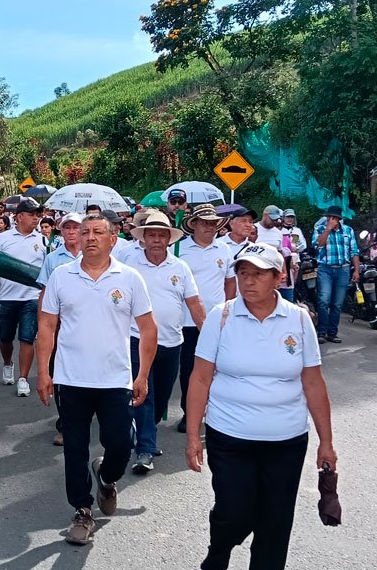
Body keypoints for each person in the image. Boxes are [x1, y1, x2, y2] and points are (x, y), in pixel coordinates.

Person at [184, 243, 336, 570]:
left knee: (275, 520)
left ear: (278, 278)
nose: (248, 281)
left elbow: (313, 382)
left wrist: (326, 442)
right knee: (233, 511)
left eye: (258, 274)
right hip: (229, 435)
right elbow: (200, 379)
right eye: (243, 273)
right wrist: (193, 436)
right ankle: (216, 558)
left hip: (285, 439)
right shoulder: (221, 318)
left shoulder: (299, 321)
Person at [37, 214, 155, 546]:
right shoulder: (62, 276)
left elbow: (148, 329)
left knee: (121, 443)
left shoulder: (130, 278)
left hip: (115, 379)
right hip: (71, 379)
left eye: (98, 232)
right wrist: (44, 372)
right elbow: (46, 325)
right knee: (74, 447)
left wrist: (142, 374)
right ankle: (82, 510)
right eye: (85, 232)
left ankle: (106, 476)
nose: (90, 237)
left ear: (113, 239)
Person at [122, 210, 201, 473]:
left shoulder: (180, 267)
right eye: (151, 235)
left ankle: (146, 433)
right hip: (137, 339)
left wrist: (212, 336)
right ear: (143, 238)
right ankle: (145, 449)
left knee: (162, 396)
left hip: (171, 342)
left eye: (161, 235)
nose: (156, 240)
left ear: (169, 239)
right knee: (143, 392)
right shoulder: (128, 263)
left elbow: (194, 304)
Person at [174, 204, 232, 433]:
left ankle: (216, 412)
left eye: (213, 223)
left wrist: (228, 307)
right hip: (187, 321)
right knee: (190, 369)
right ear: (194, 225)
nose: (210, 227)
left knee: (219, 368)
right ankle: (190, 414)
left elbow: (230, 280)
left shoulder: (224, 249)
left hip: (217, 321)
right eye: (205, 223)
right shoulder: (179, 249)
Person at [0, 199, 46, 398]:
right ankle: (7, 363)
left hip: (32, 296)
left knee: (27, 337)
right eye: (32, 214)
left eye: (38, 214)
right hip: (8, 297)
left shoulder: (42, 240)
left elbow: (47, 271)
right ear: (19, 216)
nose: (36, 218)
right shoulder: (3, 239)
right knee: (5, 337)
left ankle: (23, 378)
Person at [37, 212, 84, 447]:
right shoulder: (53, 259)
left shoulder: (95, 255)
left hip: (88, 327)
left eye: (76, 227)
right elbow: (44, 293)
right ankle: (66, 424)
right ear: (61, 231)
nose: (72, 231)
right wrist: (42, 326)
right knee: (61, 375)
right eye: (67, 228)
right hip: (59, 325)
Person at [312, 206, 361, 344]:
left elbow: (354, 251)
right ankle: (322, 331)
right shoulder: (320, 229)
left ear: (339, 219)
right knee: (323, 300)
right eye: (329, 217)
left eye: (333, 218)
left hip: (343, 270)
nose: (330, 219)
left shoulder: (348, 231)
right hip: (325, 269)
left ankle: (332, 333)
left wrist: (356, 270)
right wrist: (328, 229)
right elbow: (317, 245)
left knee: (337, 304)